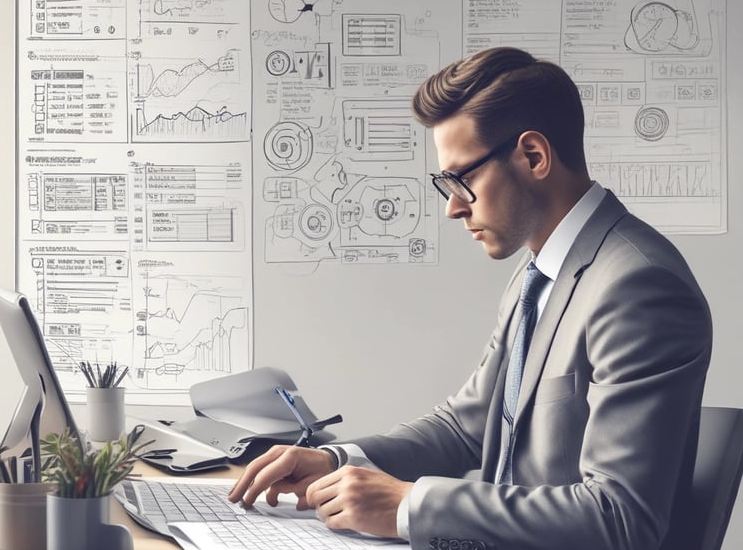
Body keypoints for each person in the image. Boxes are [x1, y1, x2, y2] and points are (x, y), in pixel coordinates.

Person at [229, 46, 713, 550]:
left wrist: (409, 505)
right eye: (446, 184)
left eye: (463, 179)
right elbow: (469, 426)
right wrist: (337, 460)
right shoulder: (540, 272)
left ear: (534, 156)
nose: (453, 208)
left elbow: (620, 518)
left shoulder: (639, 286)